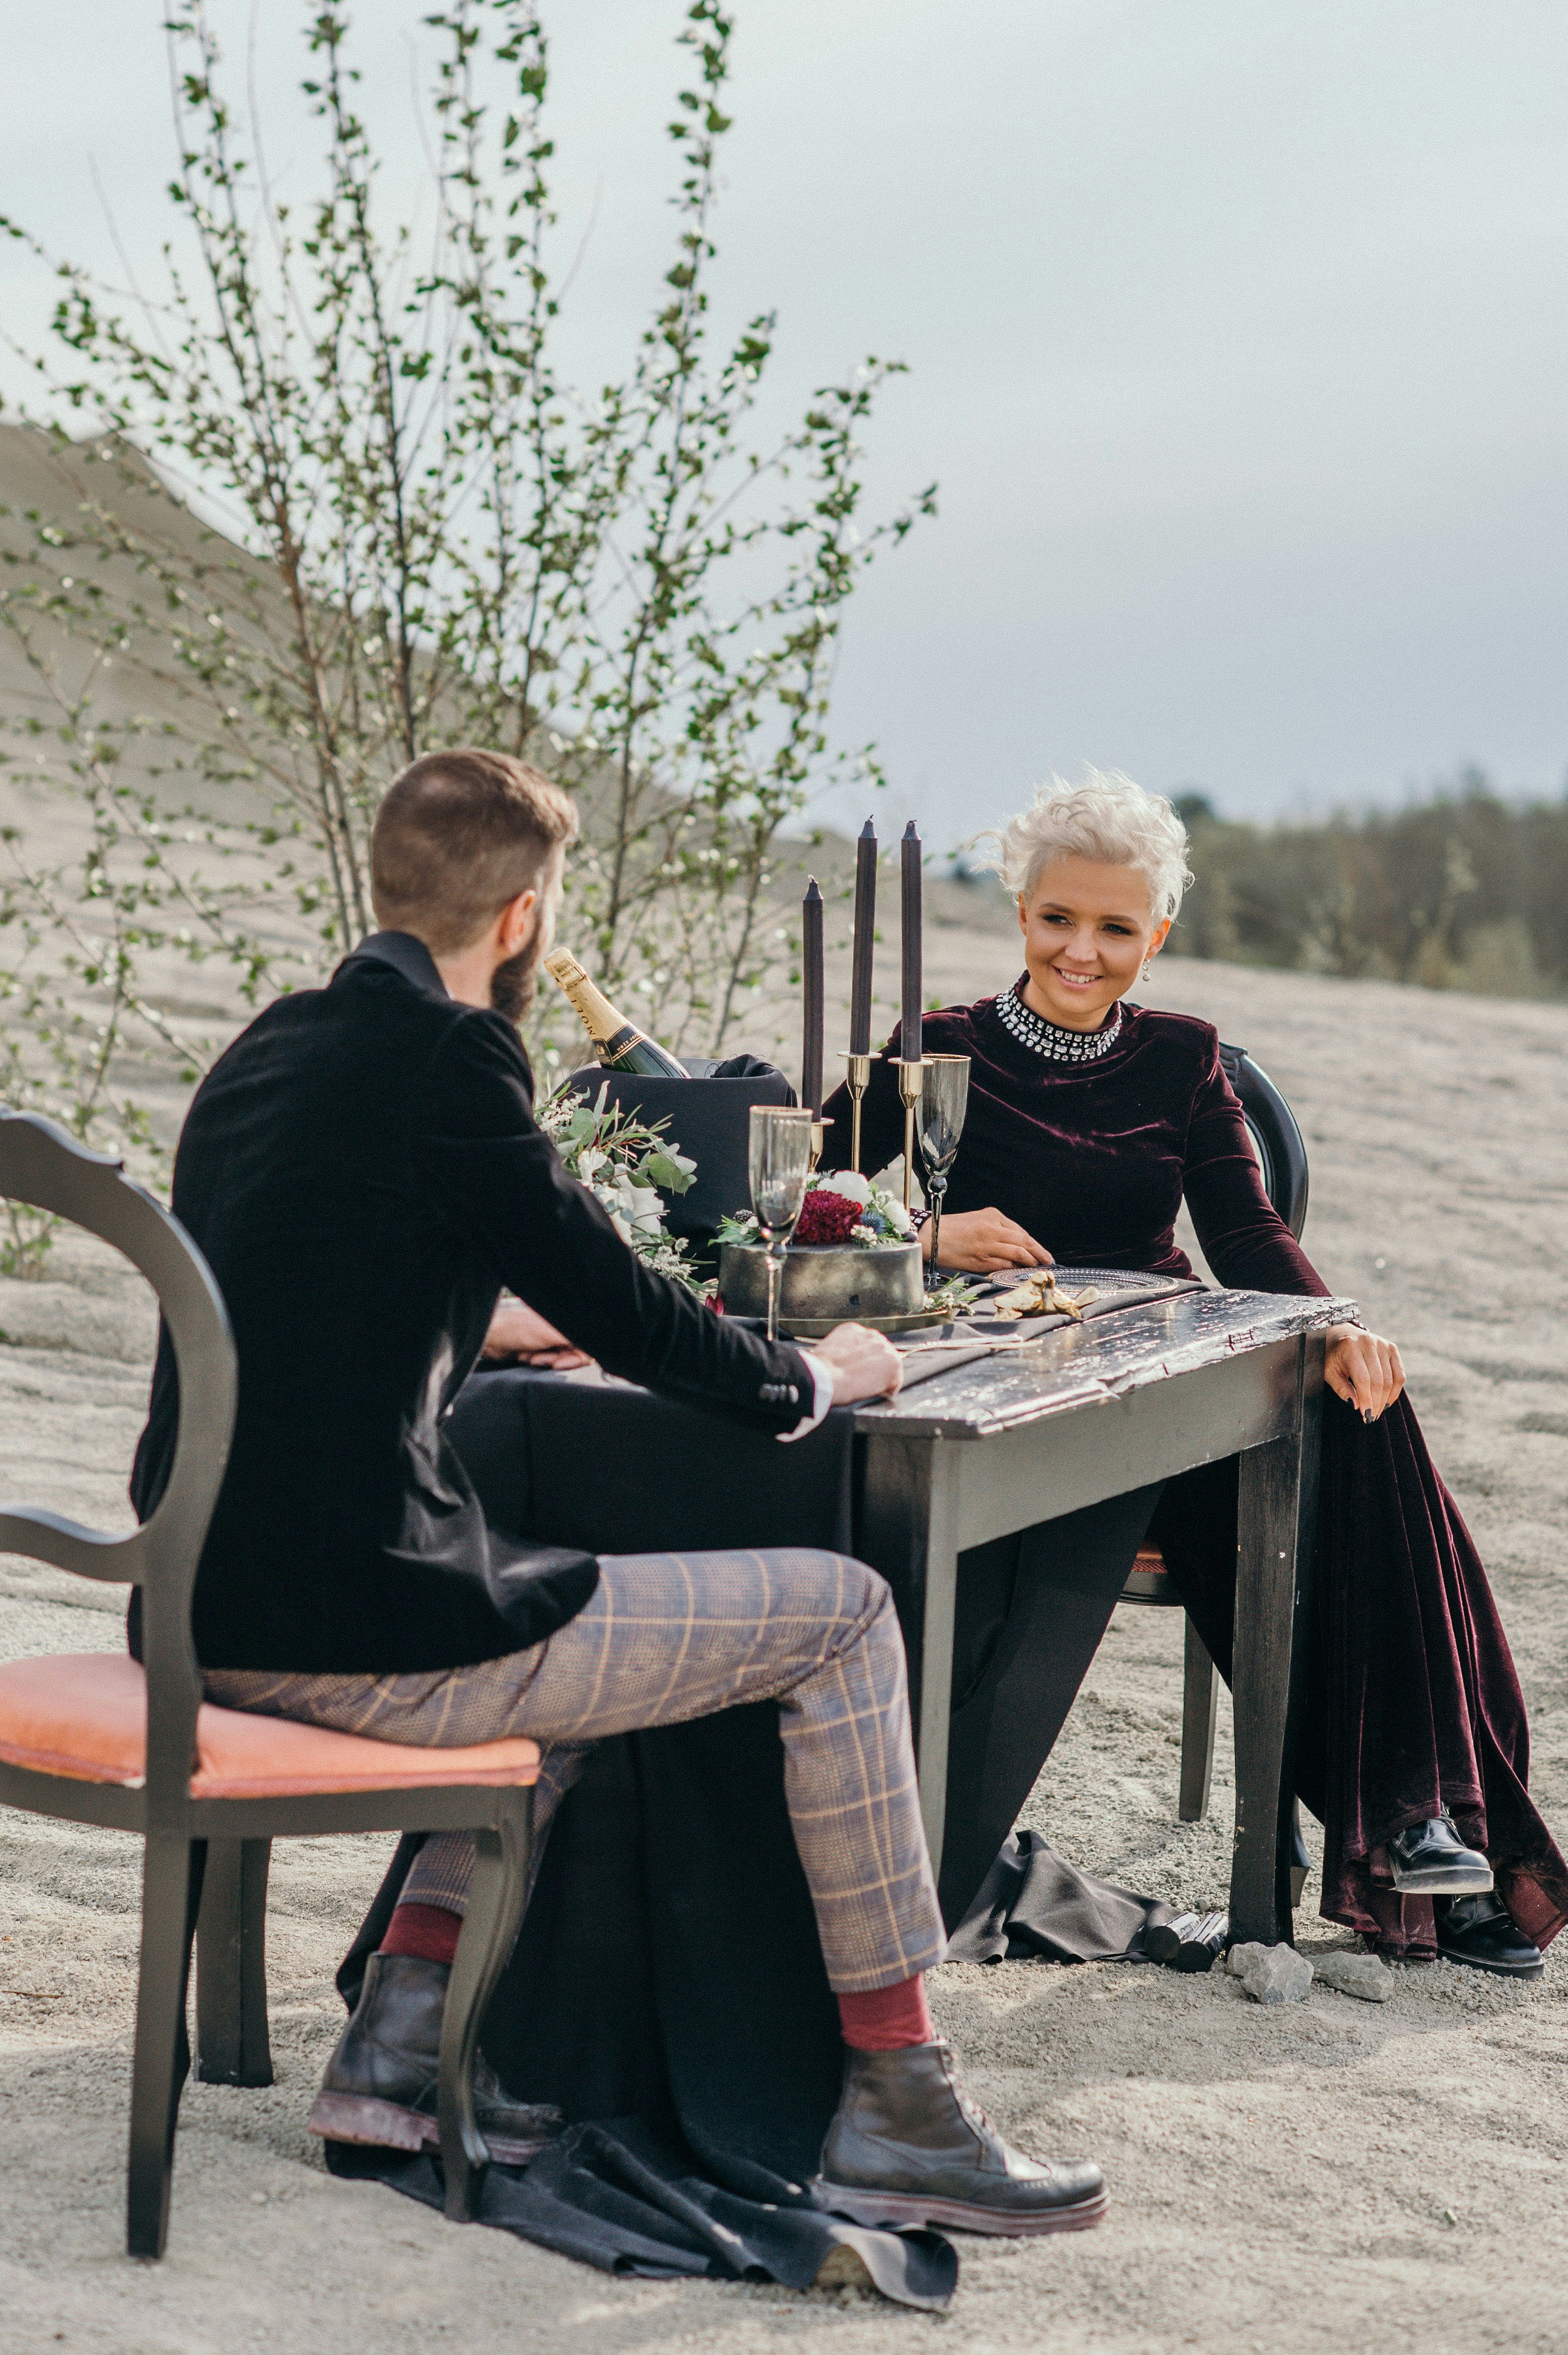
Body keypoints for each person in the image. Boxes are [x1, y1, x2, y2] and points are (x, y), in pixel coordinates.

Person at [129, 746, 1106, 2239]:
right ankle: (901, 2103)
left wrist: (484, 1325)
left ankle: (398, 2040)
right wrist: (821, 1379)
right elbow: (640, 1312)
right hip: (354, 1636)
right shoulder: (457, 1060)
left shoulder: (274, 1045)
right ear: (523, 918)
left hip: (194, 1602)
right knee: (842, 1618)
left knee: (558, 1589)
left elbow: (295, 1284)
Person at [822, 770, 1567, 1976]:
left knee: (1364, 1393)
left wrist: (1336, 1325)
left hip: (1165, 1390)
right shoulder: (931, 1051)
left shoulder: (1182, 1058)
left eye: (1116, 927)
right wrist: (919, 1238)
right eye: (1059, 918)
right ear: (1020, 913)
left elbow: (1248, 1233)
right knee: (1302, 1424)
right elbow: (810, 1224)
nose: (1082, 949)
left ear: (1154, 935)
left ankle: (1433, 1831)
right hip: (1003, 1399)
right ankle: (1404, 1816)